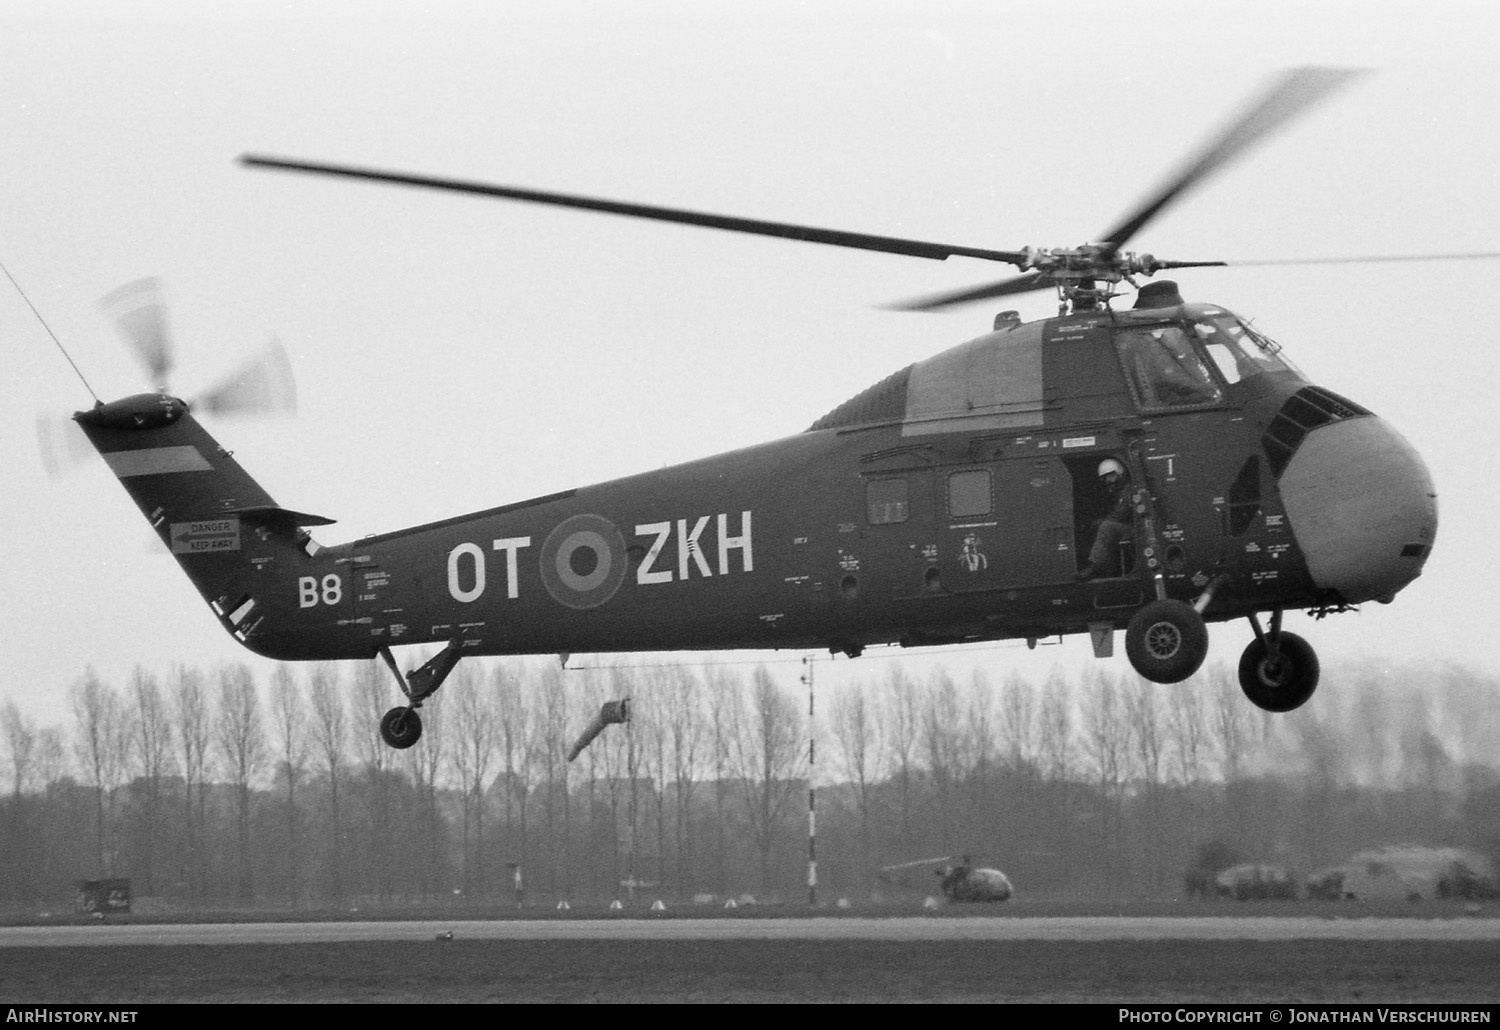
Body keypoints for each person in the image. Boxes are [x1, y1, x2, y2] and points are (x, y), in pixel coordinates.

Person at [1077, 459, 1133, 581]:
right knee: (1099, 525)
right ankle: (1106, 569)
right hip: (1126, 528)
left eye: (1111, 475)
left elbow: (1121, 514)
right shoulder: (1119, 492)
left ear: (1119, 473)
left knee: (1106, 526)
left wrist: (1102, 521)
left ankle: (1094, 566)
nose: (1109, 480)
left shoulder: (1128, 490)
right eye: (1106, 477)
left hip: (1134, 528)